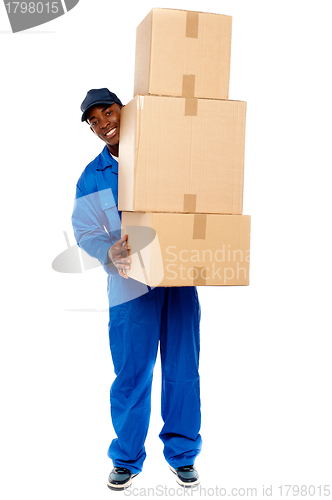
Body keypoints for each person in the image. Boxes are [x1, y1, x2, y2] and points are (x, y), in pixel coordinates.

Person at [72, 88, 202, 491]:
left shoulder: (158, 153)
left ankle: (182, 454)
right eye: (93, 121)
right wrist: (107, 251)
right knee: (131, 373)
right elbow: (85, 230)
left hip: (177, 276)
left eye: (107, 112)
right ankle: (126, 458)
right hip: (129, 285)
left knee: (182, 369)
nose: (102, 124)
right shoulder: (93, 175)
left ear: (122, 110)